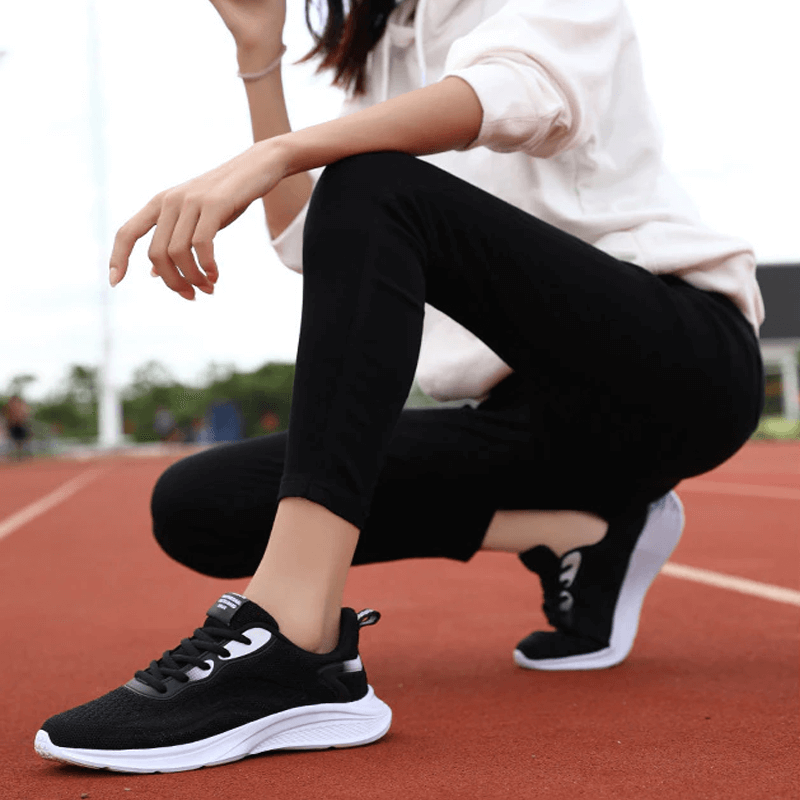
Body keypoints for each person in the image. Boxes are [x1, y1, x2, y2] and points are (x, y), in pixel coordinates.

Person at [35, 0, 764, 773]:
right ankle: (579, 529)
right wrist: (261, 58)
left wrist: (282, 153)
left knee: (372, 182)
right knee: (197, 505)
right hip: (526, 422)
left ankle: (295, 646)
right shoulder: (387, 50)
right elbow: (311, 242)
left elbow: (509, 93)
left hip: (677, 371)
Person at [4, 394, 32, 460]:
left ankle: (22, 455)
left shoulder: (21, 407)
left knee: (23, 441)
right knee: (14, 441)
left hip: (20, 426)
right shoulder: (9, 407)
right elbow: (8, 417)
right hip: (13, 426)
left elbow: (25, 416)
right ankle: (15, 455)